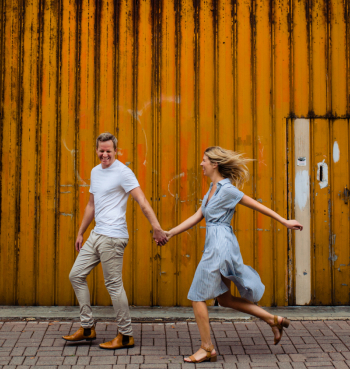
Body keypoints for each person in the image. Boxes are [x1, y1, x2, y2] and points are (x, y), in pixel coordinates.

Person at [163, 146, 303, 364]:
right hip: (217, 243)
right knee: (224, 299)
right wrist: (170, 233)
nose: (201, 164)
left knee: (197, 296)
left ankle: (207, 348)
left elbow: (255, 205)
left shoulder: (227, 190)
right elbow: (197, 216)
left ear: (214, 164)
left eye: (204, 160)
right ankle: (273, 319)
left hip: (220, 246)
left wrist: (284, 221)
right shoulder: (211, 189)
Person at [62, 132, 168, 350]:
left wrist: (156, 228)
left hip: (114, 236)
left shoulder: (123, 173)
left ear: (116, 151)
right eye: (101, 150)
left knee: (113, 284)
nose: (104, 155)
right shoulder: (95, 172)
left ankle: (126, 334)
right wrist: (81, 232)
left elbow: (142, 201)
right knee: (76, 275)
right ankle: (88, 327)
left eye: (108, 151)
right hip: (97, 234)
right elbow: (91, 204)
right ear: (97, 150)